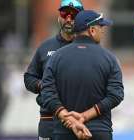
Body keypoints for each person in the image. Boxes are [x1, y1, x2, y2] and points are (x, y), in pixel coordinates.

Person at [40, 10, 124, 140]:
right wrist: (84, 117)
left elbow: (47, 92)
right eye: (100, 26)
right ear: (92, 30)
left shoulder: (56, 57)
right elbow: (116, 95)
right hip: (98, 132)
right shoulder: (109, 58)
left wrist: (69, 119)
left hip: (64, 131)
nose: (102, 30)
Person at [23, 0, 84, 139]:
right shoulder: (45, 47)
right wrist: (43, 85)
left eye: (73, 15)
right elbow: (29, 78)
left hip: (81, 119)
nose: (68, 19)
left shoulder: (90, 48)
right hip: (49, 120)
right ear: (58, 17)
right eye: (64, 14)